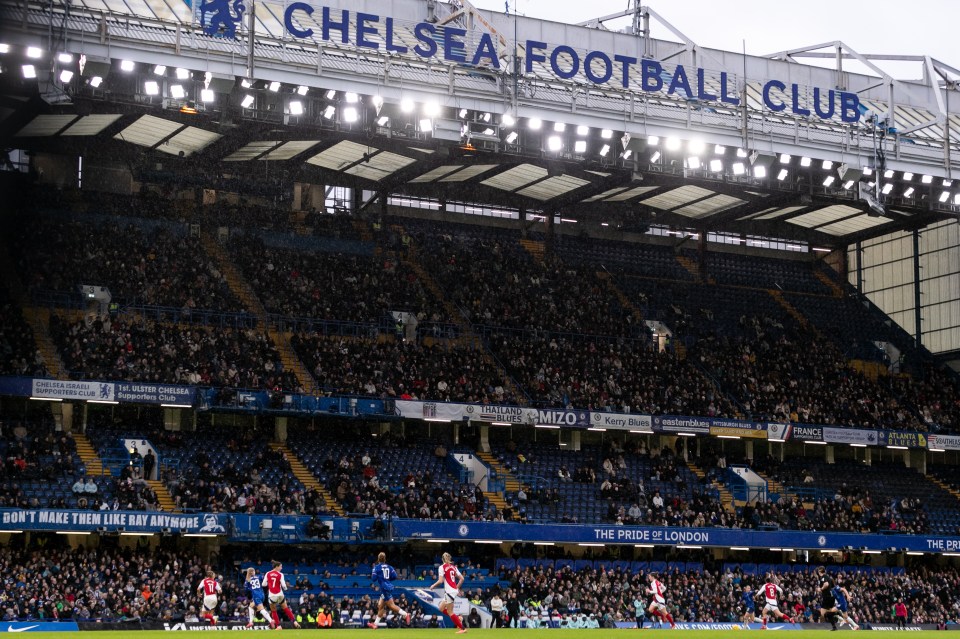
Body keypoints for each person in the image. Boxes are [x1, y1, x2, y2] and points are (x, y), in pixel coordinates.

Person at [369, 552, 411, 628]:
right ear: (385, 559)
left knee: (391, 606)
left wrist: (379, 576)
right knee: (380, 607)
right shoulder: (390, 567)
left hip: (384, 588)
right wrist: (387, 580)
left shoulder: (376, 568)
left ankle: (405, 614)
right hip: (387, 587)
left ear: (378, 559)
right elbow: (394, 576)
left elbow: (373, 579)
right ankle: (375, 624)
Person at [429, 552, 467, 633]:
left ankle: (462, 628)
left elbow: (440, 581)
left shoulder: (442, 567)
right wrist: (456, 587)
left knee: (450, 612)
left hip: (449, 591)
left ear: (442, 559)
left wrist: (433, 585)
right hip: (452, 590)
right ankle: (458, 618)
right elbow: (462, 579)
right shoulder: (454, 567)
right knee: (441, 608)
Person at [265, 560, 301, 629]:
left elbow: (264, 584)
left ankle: (278, 626)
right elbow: (284, 586)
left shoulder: (268, 573)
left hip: (272, 595)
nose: (281, 568)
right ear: (277, 566)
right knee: (286, 608)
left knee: (273, 610)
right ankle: (294, 621)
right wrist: (285, 588)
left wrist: (269, 584)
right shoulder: (280, 574)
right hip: (280, 594)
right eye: (281, 566)